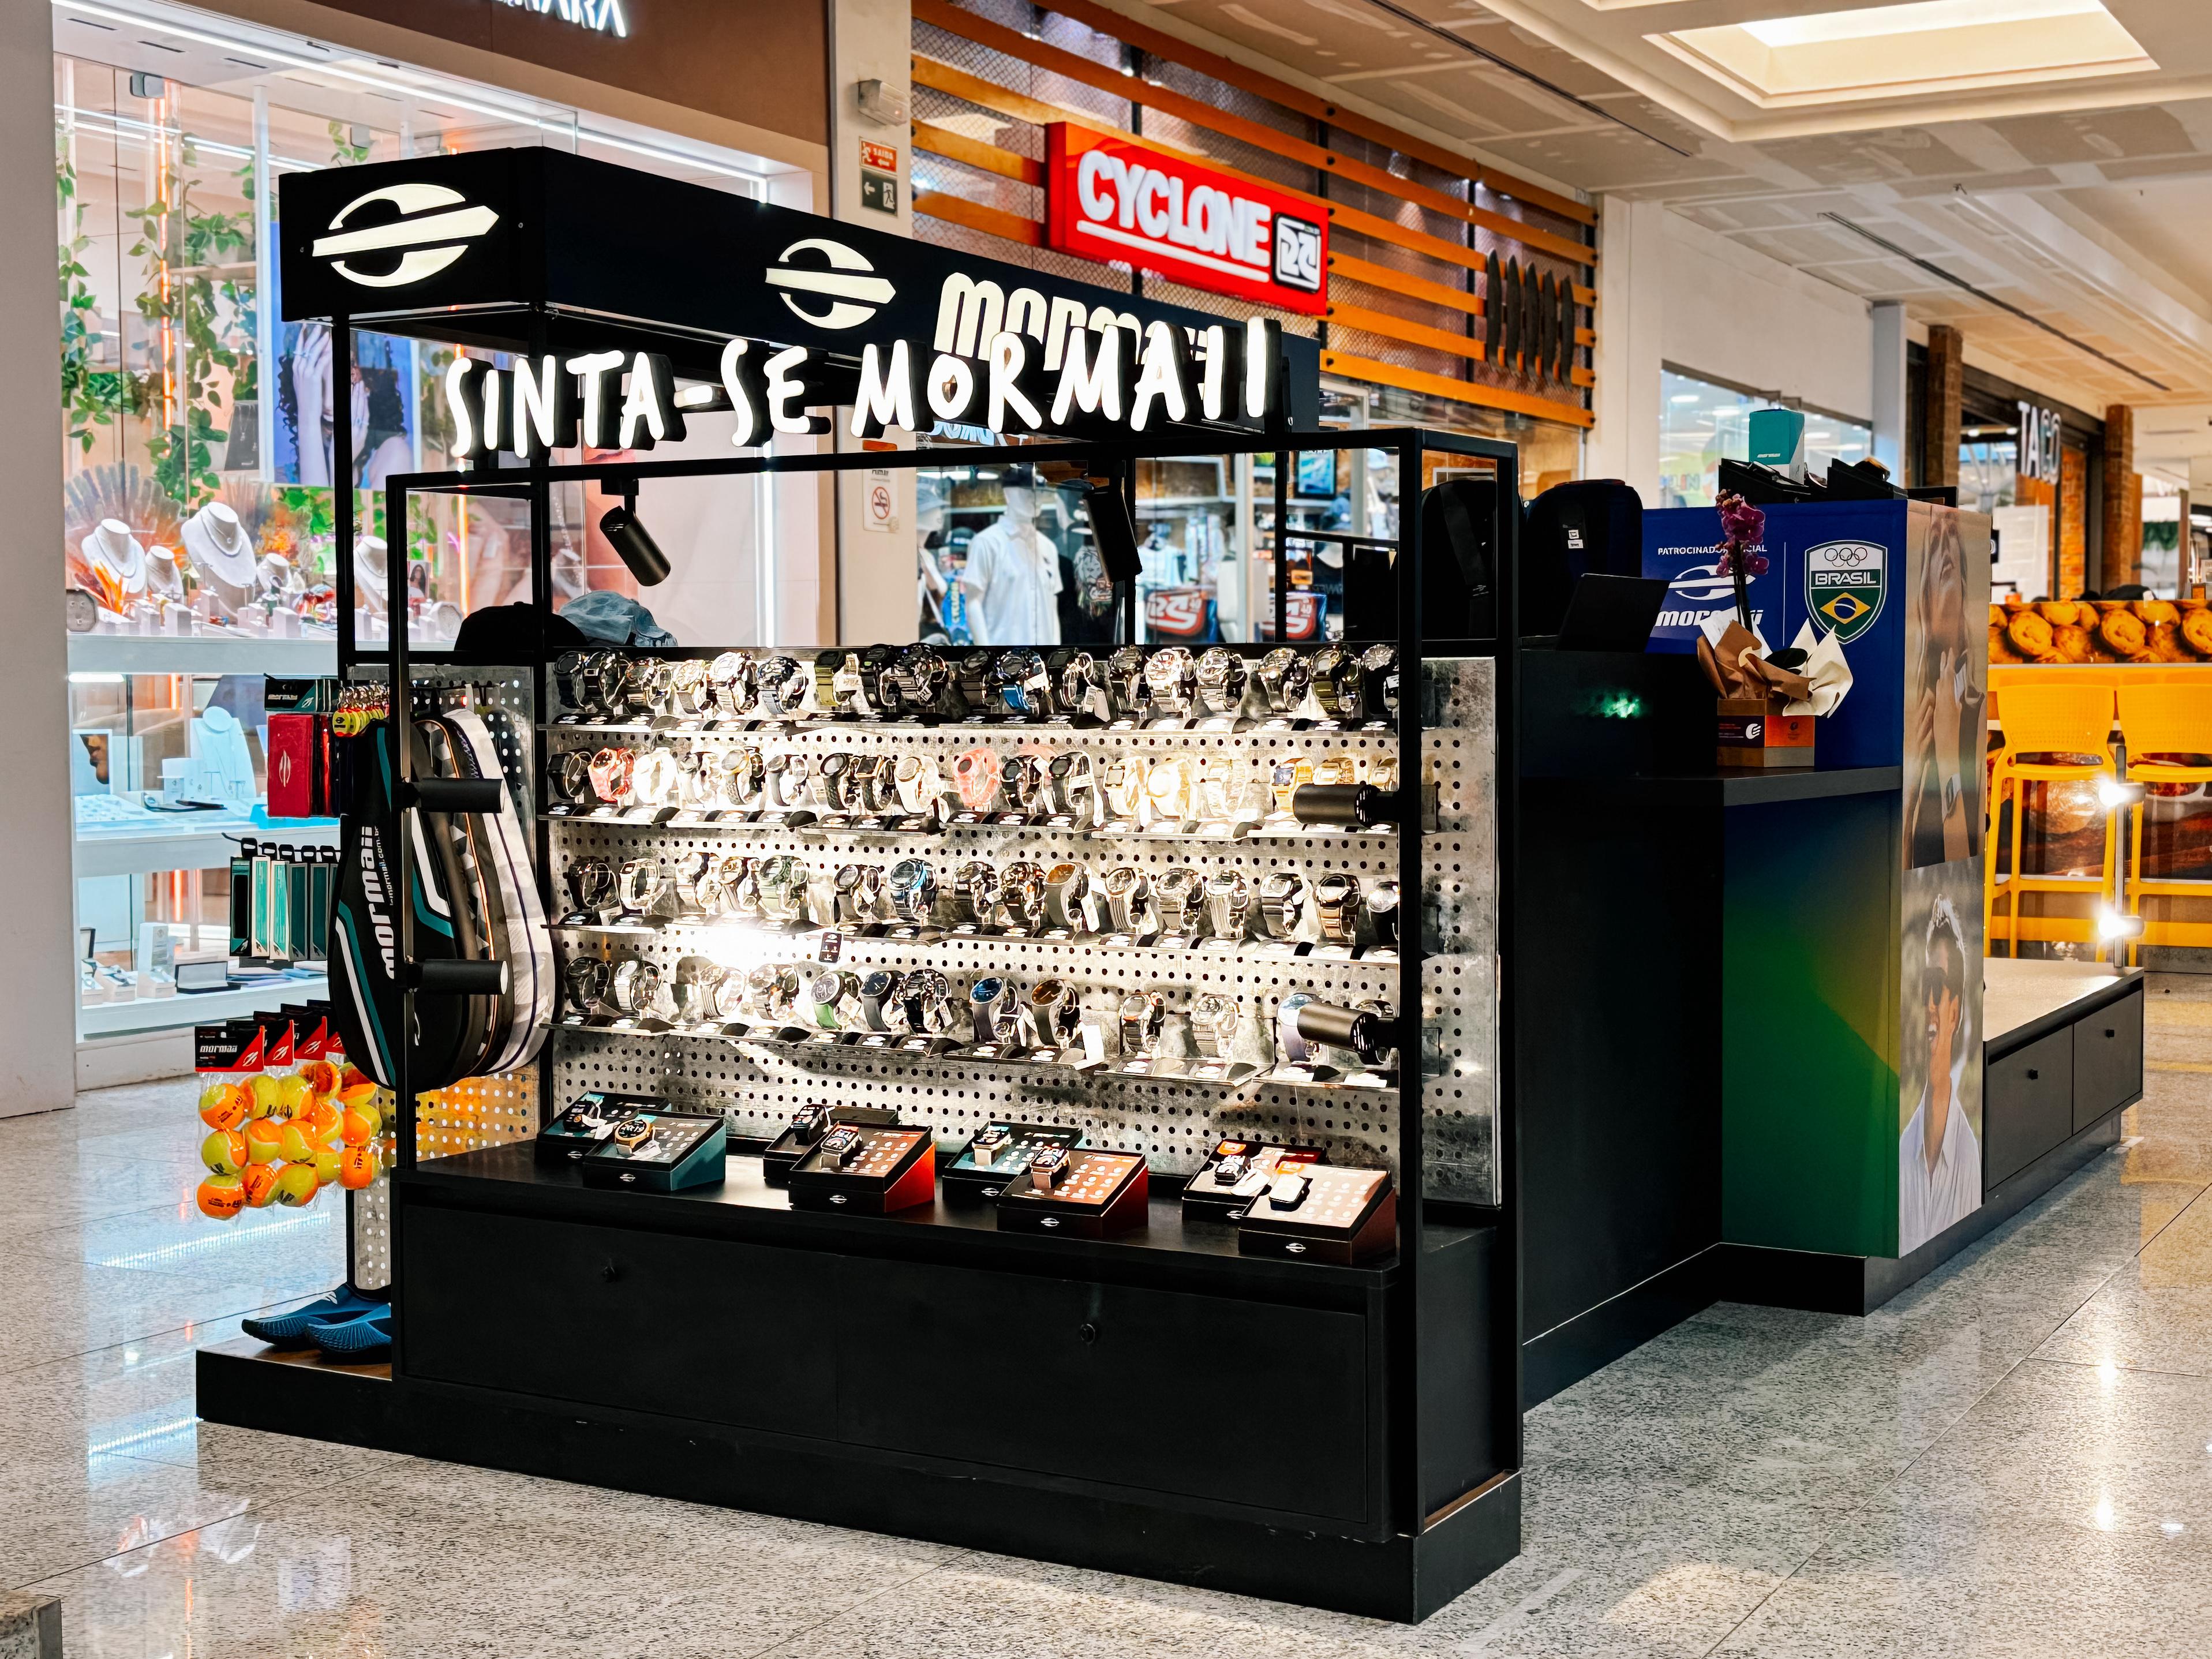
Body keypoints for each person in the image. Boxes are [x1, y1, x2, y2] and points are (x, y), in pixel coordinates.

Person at [1899, 898, 1979, 1254]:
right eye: (1924, 987)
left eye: (1938, 986)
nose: (1929, 1004)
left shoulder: (1969, 1158)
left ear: (1955, 1012)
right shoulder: (1901, 1151)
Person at [1906, 512, 1983, 867]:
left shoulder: (1976, 706)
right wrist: (1909, 795)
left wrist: (1949, 749)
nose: (1947, 548)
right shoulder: (1917, 715)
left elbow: (1963, 868)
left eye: (1952, 536)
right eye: (1936, 542)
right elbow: (1906, 872)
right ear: (1924, 597)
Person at [959, 466, 1061, 646]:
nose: (1036, 499)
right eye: (1028, 493)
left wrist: (1056, 651)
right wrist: (988, 655)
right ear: (1008, 494)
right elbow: (973, 604)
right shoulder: (986, 543)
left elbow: (1052, 605)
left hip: (1043, 658)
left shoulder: (1048, 548)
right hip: (1004, 657)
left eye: (1039, 493)